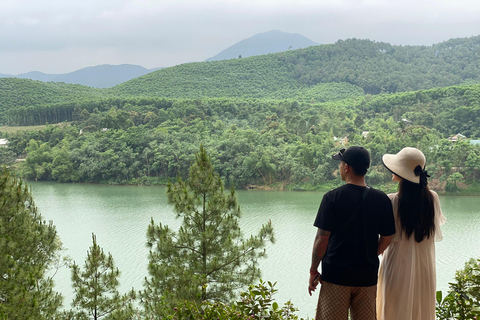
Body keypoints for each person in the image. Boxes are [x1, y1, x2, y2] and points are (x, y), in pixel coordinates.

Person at [308, 146, 395, 320]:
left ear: (346, 167)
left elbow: (322, 239)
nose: (339, 168)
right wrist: (371, 254)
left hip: (336, 277)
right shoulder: (381, 199)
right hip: (367, 277)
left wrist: (313, 270)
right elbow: (387, 237)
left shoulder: (332, 197)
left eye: (340, 164)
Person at [377, 147, 446, 320]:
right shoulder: (433, 199)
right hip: (424, 267)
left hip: (397, 265)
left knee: (393, 309)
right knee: (420, 310)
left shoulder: (392, 201)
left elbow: (383, 238)